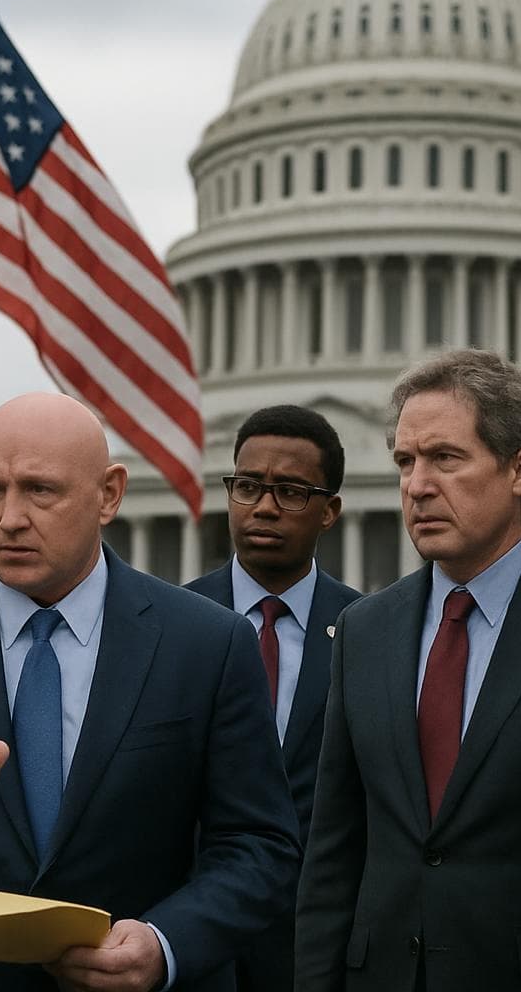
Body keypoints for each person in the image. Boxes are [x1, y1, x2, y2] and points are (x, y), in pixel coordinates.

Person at [0, 391, 300, 992]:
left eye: (40, 490)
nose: (9, 518)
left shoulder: (208, 643)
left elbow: (261, 847)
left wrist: (164, 944)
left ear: (109, 494)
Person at [294, 349, 521, 992]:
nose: (417, 485)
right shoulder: (365, 631)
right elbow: (334, 850)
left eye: (445, 459)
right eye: (405, 461)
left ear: (519, 469)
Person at [184, 404, 361, 992]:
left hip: (314, 948)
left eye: (289, 491)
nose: (263, 507)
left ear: (329, 510)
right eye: (248, 487)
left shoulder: (369, 633)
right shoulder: (166, 624)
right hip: (185, 941)